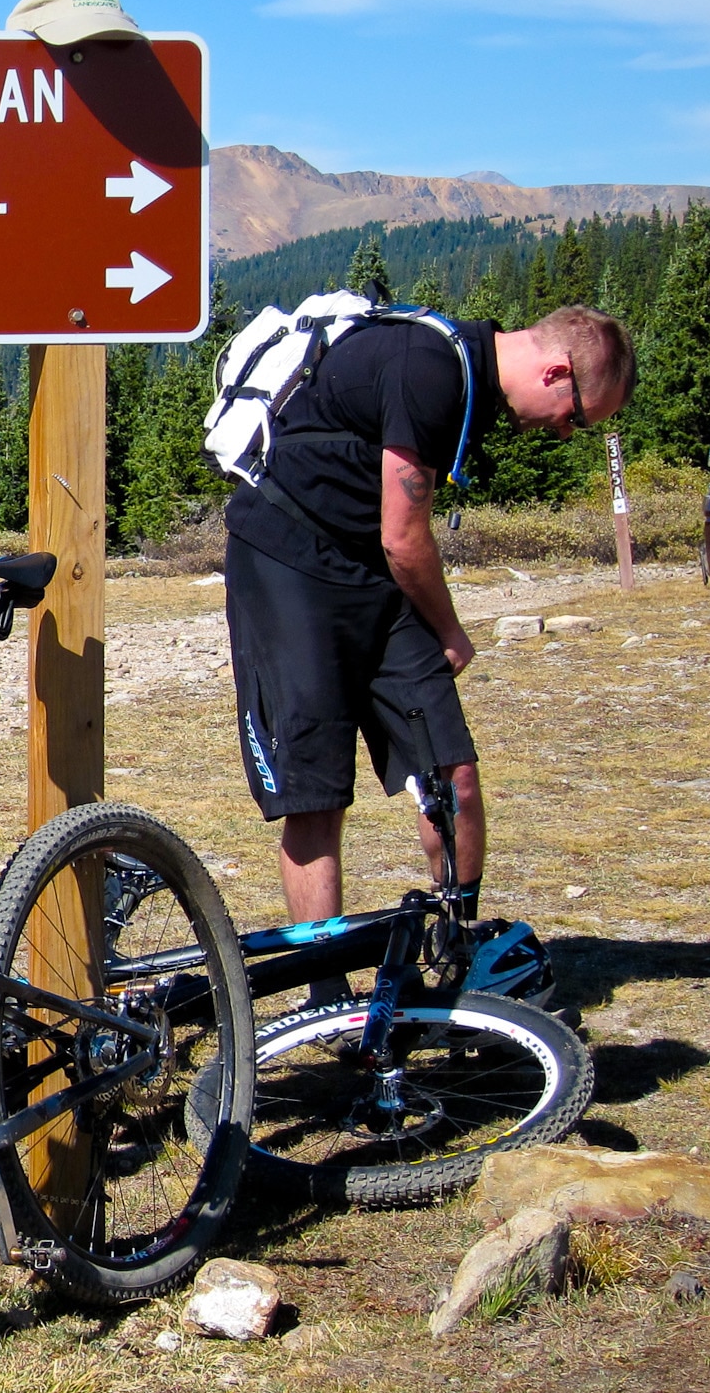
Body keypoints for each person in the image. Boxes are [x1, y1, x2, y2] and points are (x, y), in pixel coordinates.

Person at [224, 302, 636, 998]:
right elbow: (405, 535)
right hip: (288, 562)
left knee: (453, 773)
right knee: (316, 795)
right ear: (556, 370)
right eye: (576, 417)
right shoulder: (431, 369)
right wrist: (451, 630)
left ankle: (459, 950)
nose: (564, 431)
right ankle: (329, 999)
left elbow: (391, 540)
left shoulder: (467, 376)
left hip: (370, 575)